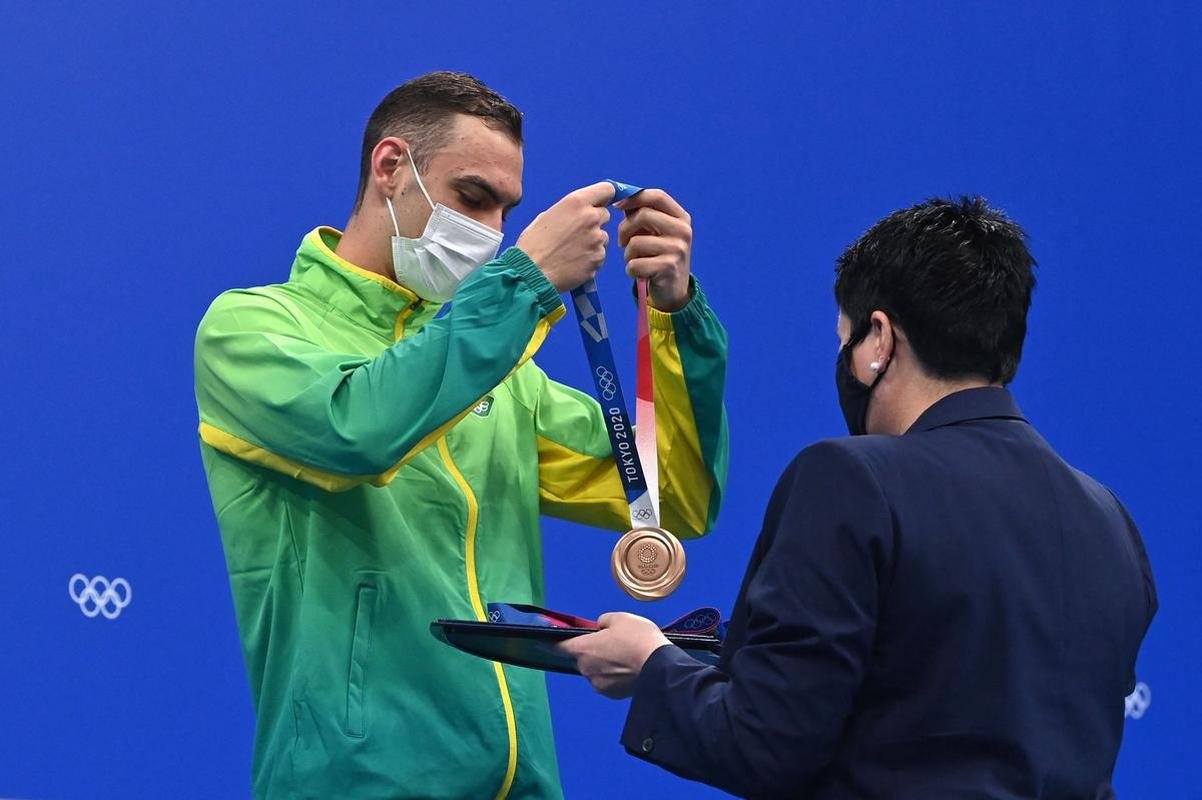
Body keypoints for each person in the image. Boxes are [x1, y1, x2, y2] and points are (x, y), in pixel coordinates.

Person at [193, 71, 729, 800]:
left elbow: (676, 498)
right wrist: (524, 282)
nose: (493, 232)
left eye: (506, 210)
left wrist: (673, 312)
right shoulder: (251, 329)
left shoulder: (501, 374)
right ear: (390, 167)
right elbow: (359, 431)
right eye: (473, 198)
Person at [563, 197, 1157, 798]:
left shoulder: (851, 479)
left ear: (878, 339)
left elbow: (764, 742)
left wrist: (652, 665)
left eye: (844, 339)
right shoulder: (1111, 520)